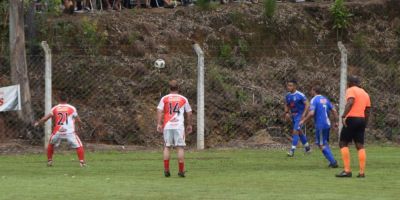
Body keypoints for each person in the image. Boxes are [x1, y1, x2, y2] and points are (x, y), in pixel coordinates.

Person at [34, 92, 86, 167]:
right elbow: (78, 119)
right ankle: (82, 162)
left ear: (59, 99)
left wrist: (38, 123)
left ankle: (49, 161)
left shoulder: (55, 108)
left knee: (51, 144)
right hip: (69, 132)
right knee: (79, 146)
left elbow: (45, 118)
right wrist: (81, 126)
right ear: (67, 99)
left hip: (58, 132)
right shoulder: (71, 108)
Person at [336, 76, 371, 178]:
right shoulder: (365, 93)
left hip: (351, 119)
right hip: (361, 120)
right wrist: (365, 123)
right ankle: (361, 172)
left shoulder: (350, 90)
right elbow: (367, 111)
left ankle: (347, 171)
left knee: (343, 143)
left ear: (350, 83)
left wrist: (343, 116)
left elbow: (350, 102)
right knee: (360, 145)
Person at [157, 80, 193, 177]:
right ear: (178, 88)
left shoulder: (164, 98)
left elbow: (159, 111)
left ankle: (166, 170)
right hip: (178, 126)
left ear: (169, 88)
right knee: (180, 147)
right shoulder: (183, 99)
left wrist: (159, 124)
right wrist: (189, 125)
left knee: (167, 147)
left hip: (167, 125)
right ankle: (181, 171)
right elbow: (189, 113)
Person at [300, 85, 339, 168]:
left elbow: (311, 113)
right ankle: (331, 161)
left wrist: (303, 121)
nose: (310, 92)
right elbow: (334, 110)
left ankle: (333, 162)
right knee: (323, 142)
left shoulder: (314, 100)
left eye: (311, 90)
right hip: (327, 124)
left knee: (321, 144)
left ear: (314, 90)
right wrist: (336, 122)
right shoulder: (325, 99)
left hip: (321, 125)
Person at [284, 80, 311, 157]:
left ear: (295, 86)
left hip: (300, 116)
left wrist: (304, 114)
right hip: (293, 116)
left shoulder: (300, 95)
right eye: (288, 85)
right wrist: (286, 113)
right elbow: (286, 104)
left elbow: (307, 104)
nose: (289, 87)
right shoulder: (288, 95)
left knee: (295, 131)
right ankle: (307, 148)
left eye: (290, 85)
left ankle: (292, 151)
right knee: (299, 132)